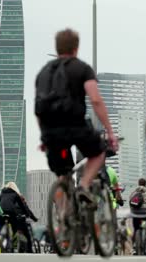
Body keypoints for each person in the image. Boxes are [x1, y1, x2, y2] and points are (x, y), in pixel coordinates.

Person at [35, 28, 118, 202]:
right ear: (76, 48)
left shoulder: (43, 73)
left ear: (57, 48)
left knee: (63, 176)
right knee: (98, 153)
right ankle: (84, 185)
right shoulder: (82, 68)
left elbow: (39, 108)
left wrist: (44, 137)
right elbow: (95, 99)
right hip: (75, 127)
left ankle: (63, 217)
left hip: (50, 131)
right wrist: (110, 132)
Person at [0, 182, 37, 253]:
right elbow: (25, 207)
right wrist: (31, 216)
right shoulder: (18, 196)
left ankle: (0, 239)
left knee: (2, 226)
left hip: (3, 213)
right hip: (17, 217)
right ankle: (25, 249)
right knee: (19, 231)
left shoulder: (2, 194)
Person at [129, 178, 146, 247]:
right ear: (145, 184)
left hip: (135, 213)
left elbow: (131, 203)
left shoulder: (133, 193)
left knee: (136, 229)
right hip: (145, 214)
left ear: (138, 183)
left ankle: (134, 245)